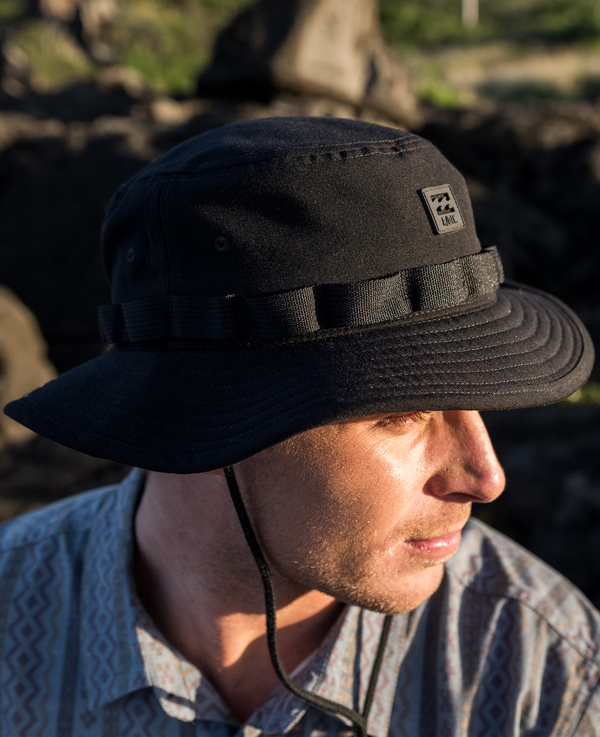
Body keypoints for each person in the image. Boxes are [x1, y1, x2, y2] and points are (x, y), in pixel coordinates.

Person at [2, 116, 599, 736]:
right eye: (403, 415)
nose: (486, 477)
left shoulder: (545, 670)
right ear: (204, 419)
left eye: (479, 400)